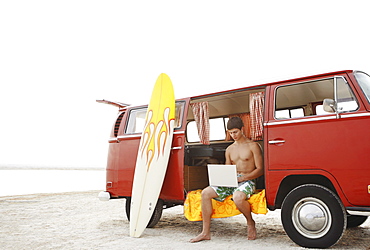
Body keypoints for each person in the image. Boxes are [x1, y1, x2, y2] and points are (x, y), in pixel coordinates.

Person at [190, 116, 264, 243]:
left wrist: (245, 178)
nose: (233, 135)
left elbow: (260, 169)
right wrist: (222, 177)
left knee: (238, 197)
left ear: (242, 129)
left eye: (235, 132)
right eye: (230, 133)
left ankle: (250, 222)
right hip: (232, 180)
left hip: (248, 180)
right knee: (205, 193)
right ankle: (205, 232)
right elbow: (228, 169)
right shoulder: (229, 149)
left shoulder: (253, 146)